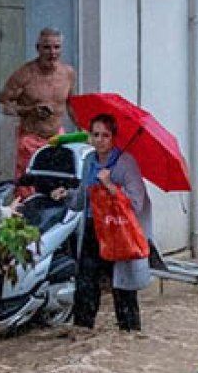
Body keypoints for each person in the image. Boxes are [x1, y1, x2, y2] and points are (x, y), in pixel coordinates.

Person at [50, 114, 151, 332]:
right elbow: (82, 199)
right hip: (92, 231)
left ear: (114, 138)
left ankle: (129, 333)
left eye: (105, 135)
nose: (100, 140)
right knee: (85, 286)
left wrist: (110, 185)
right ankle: (82, 332)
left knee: (123, 289)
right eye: (95, 134)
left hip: (119, 234)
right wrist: (66, 194)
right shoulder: (88, 161)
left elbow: (136, 203)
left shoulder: (126, 163)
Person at [0, 28, 77, 199]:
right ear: (38, 48)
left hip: (57, 139)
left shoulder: (68, 73)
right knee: (27, 191)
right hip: (30, 139)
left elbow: (71, 104)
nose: (52, 53)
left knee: (57, 189)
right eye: (47, 47)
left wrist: (84, 131)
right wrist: (30, 110)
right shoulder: (24, 74)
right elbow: (4, 104)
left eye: (56, 47)